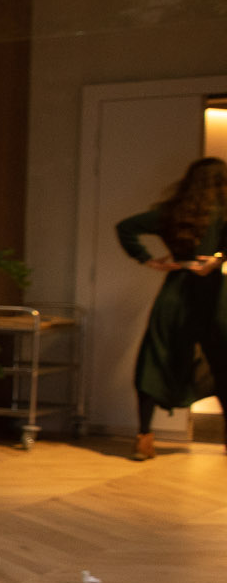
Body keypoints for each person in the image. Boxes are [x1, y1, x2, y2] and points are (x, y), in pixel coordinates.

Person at [119, 155, 227, 460]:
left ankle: (144, 437)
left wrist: (147, 259)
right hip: (214, 295)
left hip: (176, 292)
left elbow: (126, 227)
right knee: (222, 364)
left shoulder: (173, 213)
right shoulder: (223, 213)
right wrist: (218, 258)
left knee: (155, 359)